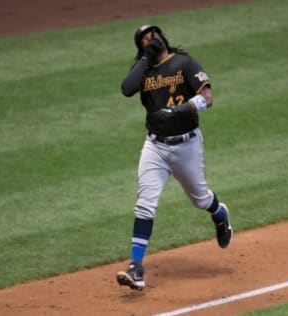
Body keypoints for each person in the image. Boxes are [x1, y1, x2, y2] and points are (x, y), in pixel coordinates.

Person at [116, 25, 232, 291]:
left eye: (154, 35)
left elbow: (207, 98)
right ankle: (136, 268)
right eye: (145, 40)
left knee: (200, 198)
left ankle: (219, 213)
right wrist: (145, 59)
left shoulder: (184, 62)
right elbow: (126, 89)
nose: (151, 40)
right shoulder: (143, 71)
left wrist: (177, 110)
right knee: (145, 203)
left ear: (163, 36)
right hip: (155, 147)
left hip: (186, 145)